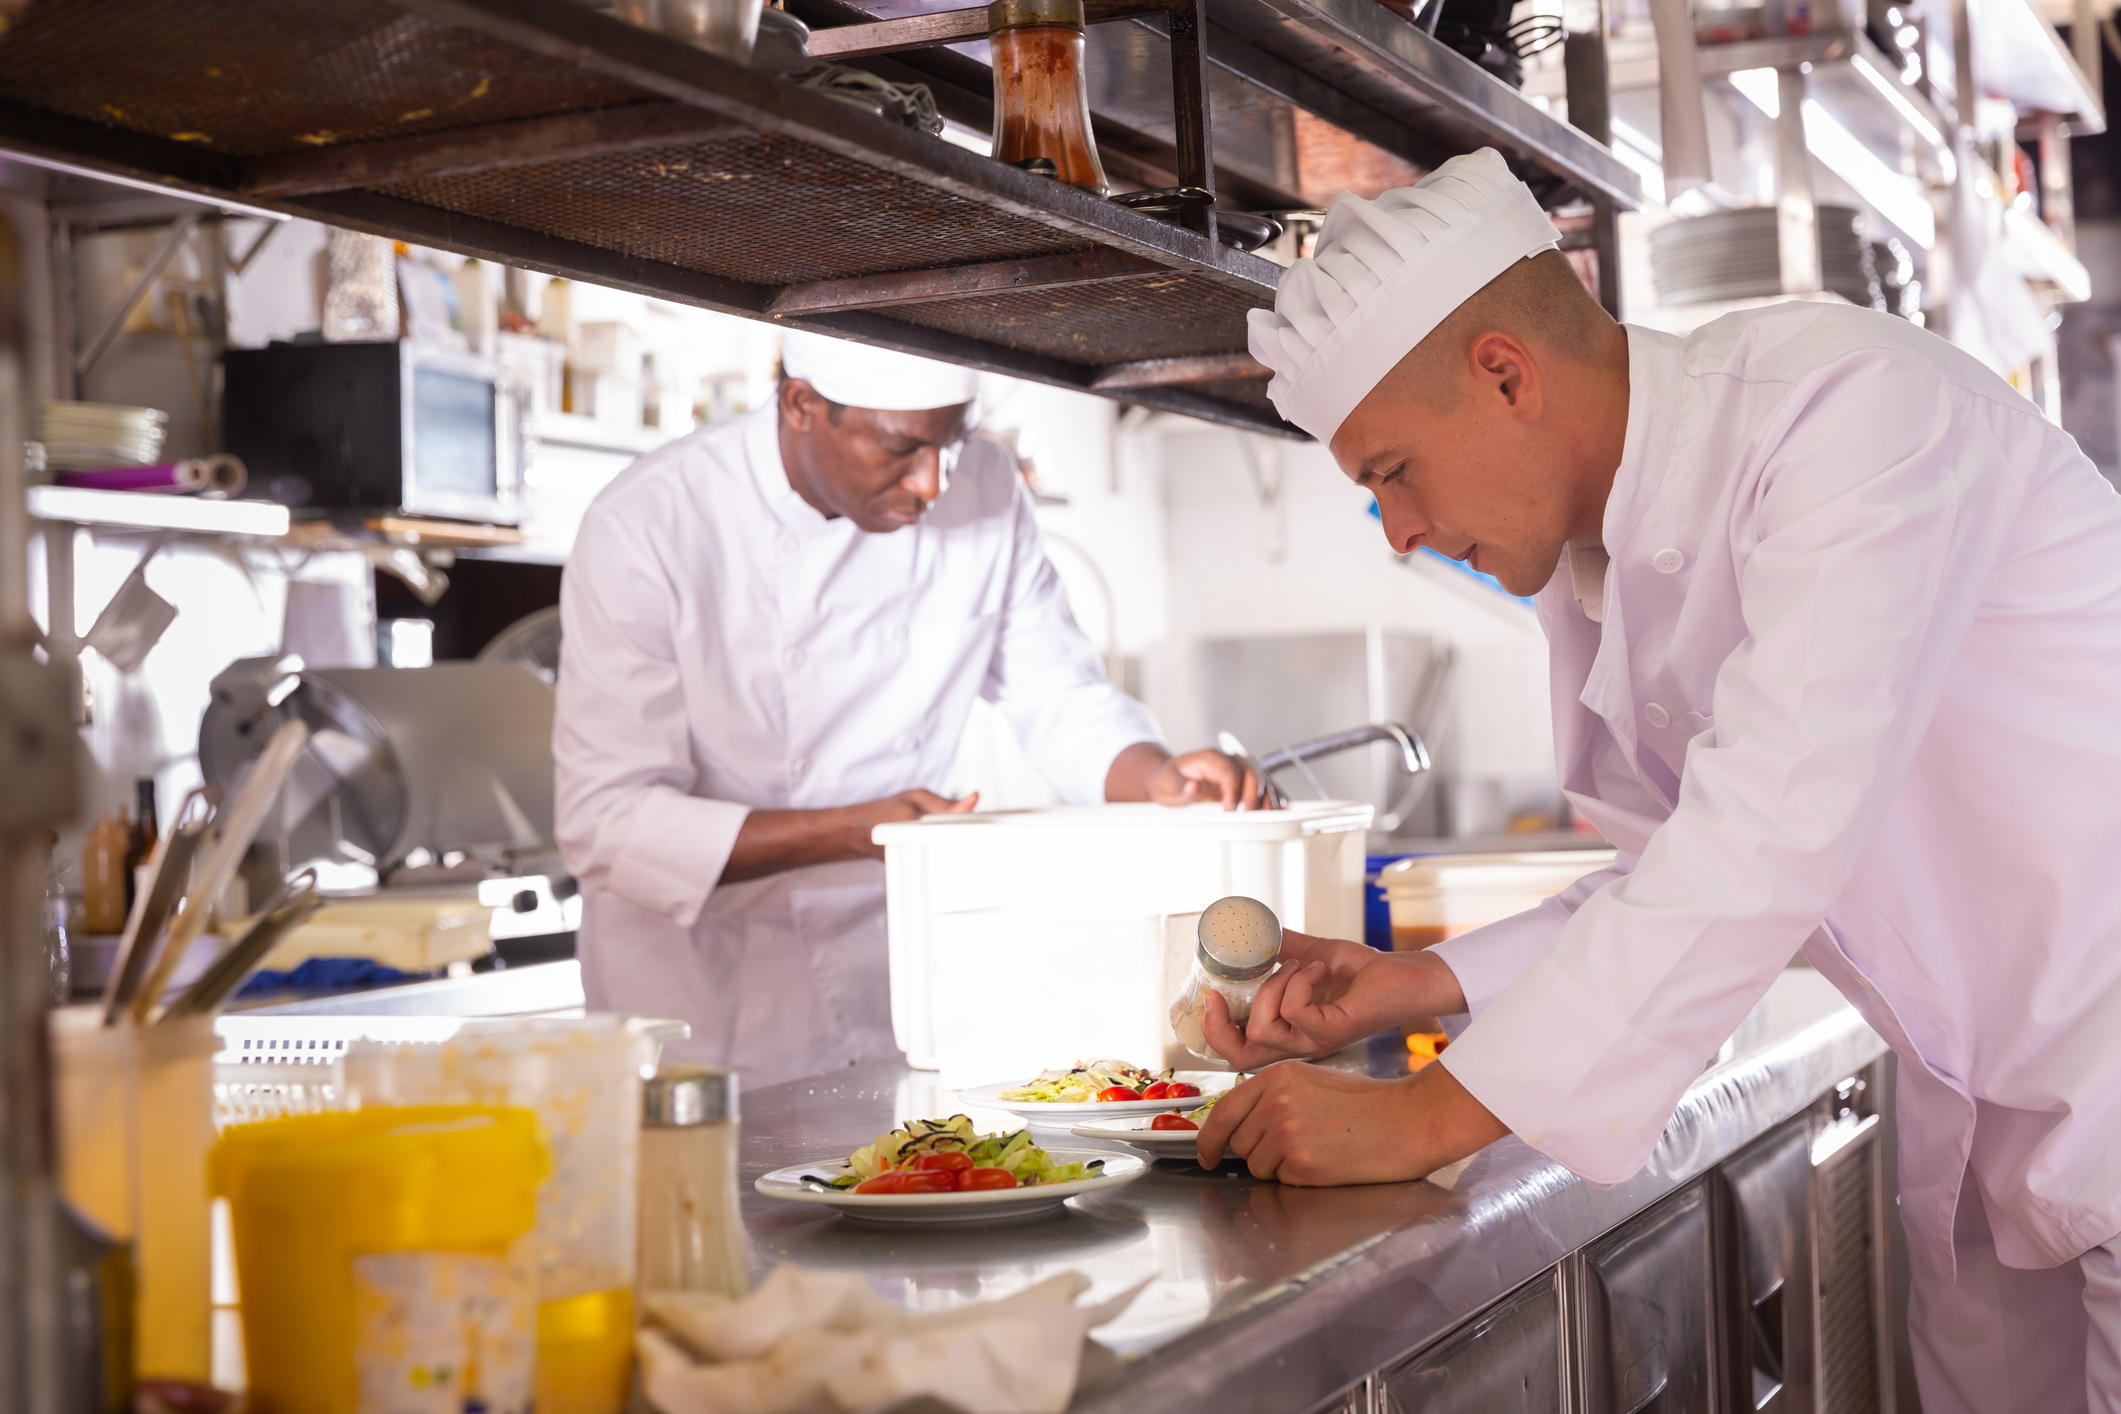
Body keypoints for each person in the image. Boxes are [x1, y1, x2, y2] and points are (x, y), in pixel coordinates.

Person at [1202, 148, 2121, 1412]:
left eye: (1390, 473)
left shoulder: (1849, 416)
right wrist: (1423, 982)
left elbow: (1766, 838)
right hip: (2000, 1140)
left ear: (1505, 374)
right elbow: (1675, 867)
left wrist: (1425, 1118)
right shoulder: (1597, 571)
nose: (1400, 533)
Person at [555, 332, 1259, 1087]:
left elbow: (1059, 697)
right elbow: (606, 821)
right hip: (700, 999)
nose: (931, 482)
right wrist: (854, 830)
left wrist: (1157, 776)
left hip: (895, 971)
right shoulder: (649, 523)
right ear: (801, 405)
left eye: (952, 441)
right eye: (899, 449)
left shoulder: (984, 483)